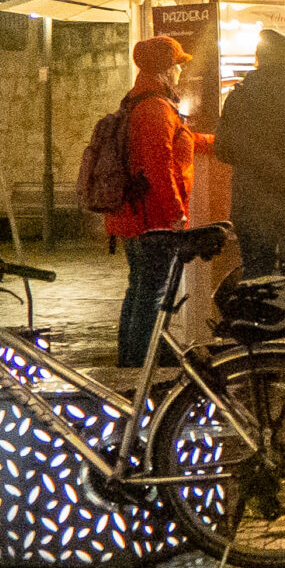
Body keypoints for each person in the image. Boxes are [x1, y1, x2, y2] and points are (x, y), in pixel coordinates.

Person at [105, 34, 203, 375]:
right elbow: (158, 165)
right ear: (166, 69)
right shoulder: (155, 108)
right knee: (152, 294)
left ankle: (132, 362)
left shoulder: (144, 101)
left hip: (138, 217)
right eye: (177, 64)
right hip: (152, 219)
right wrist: (176, 213)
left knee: (141, 290)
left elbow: (180, 140)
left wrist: (217, 143)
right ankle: (139, 367)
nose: (179, 71)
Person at [209, 29, 285, 286]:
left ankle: (258, 324)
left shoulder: (239, 97)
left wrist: (253, 157)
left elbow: (222, 149)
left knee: (257, 278)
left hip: (252, 203)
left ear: (258, 58)